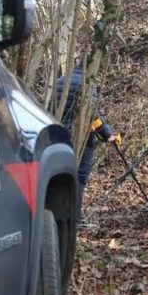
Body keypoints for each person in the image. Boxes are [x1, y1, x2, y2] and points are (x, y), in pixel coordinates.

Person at [56, 64, 118, 216]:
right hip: (79, 136)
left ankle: (59, 214)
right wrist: (108, 134)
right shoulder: (87, 83)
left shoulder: (60, 81)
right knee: (80, 176)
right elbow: (91, 113)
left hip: (58, 135)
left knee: (61, 176)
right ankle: (74, 218)